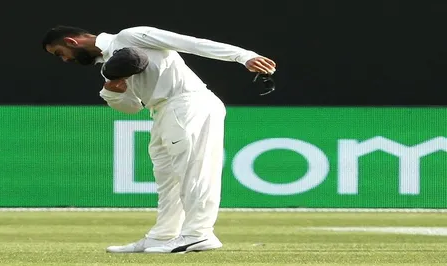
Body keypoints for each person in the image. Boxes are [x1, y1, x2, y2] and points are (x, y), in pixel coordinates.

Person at [41, 25, 276, 253]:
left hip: (188, 103)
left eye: (60, 53)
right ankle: (162, 236)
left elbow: (191, 44)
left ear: (72, 42)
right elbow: (133, 107)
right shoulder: (109, 67)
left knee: (193, 172)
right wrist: (111, 90)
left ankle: (199, 234)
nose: (64, 60)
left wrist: (243, 56)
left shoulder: (131, 36)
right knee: (167, 179)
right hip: (161, 112)